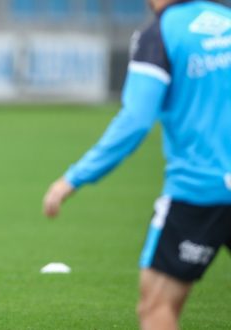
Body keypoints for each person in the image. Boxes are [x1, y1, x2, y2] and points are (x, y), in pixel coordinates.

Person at [42, 1, 231, 329]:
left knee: (157, 305)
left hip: (202, 191)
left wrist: (72, 178)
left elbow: (135, 120)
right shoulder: (227, 19)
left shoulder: (159, 34)